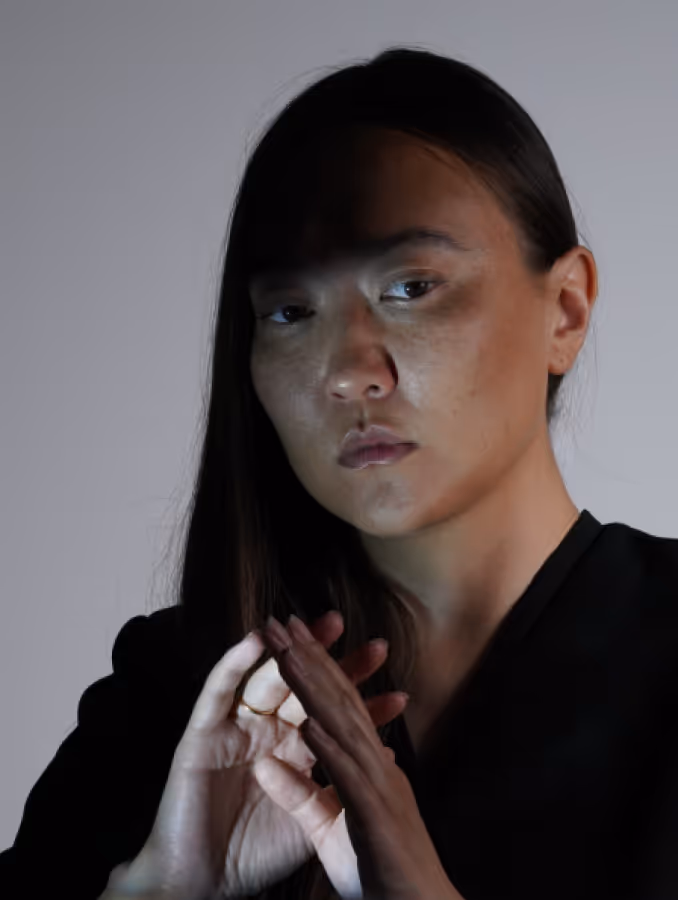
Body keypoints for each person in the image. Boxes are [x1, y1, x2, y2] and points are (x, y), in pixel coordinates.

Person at [2, 45, 678, 900]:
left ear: (567, 309)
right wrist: (155, 889)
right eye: (290, 311)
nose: (348, 371)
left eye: (412, 287)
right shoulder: (173, 694)